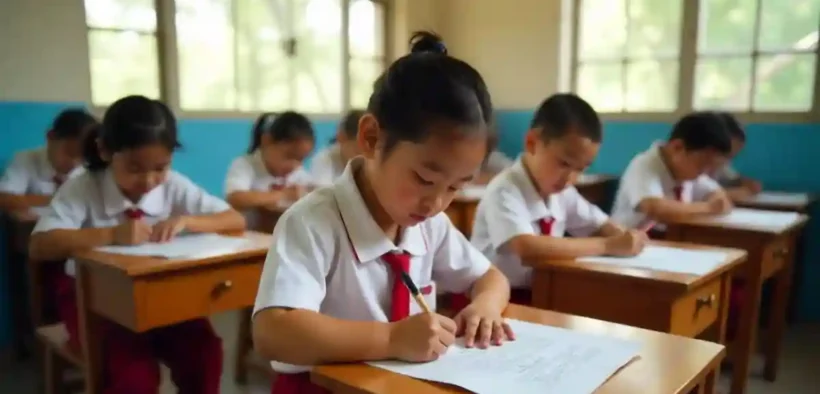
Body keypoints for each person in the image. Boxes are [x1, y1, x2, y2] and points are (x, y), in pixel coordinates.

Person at [252, 31, 514, 394]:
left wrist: (485, 305)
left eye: (456, 187)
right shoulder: (312, 222)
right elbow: (273, 331)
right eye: (424, 178)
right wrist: (390, 338)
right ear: (372, 138)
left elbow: (491, 277)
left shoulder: (429, 226)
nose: (436, 203)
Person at [28, 96, 246, 394]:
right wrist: (110, 235)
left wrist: (188, 221)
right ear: (105, 151)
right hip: (90, 300)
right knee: (134, 374)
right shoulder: (83, 185)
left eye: (161, 167)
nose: (148, 180)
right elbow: (40, 245)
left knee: (204, 352)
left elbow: (234, 220)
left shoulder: (173, 185)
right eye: (134, 168)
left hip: (156, 294)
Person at [466, 93, 646, 306]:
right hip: (490, 300)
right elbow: (529, 249)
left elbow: (599, 224)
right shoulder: (504, 189)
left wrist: (625, 237)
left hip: (541, 291)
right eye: (564, 163)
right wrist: (608, 245)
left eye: (580, 169)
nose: (571, 178)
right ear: (532, 143)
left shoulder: (562, 192)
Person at [611, 111, 734, 234]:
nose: (705, 173)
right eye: (702, 165)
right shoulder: (644, 164)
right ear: (677, 147)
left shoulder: (689, 169)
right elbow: (656, 209)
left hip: (669, 239)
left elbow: (718, 195)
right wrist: (709, 207)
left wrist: (716, 203)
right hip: (630, 240)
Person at [224, 111, 315, 227]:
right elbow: (235, 198)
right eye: (288, 156)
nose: (293, 165)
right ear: (266, 141)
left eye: (301, 159)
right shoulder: (245, 165)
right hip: (250, 236)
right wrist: (283, 195)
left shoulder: (298, 173)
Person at [0, 108, 97, 211]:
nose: (74, 163)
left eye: (82, 158)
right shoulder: (25, 160)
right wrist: (59, 199)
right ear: (50, 136)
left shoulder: (90, 169)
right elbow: (4, 197)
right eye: (69, 153)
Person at [711, 112, 762, 201]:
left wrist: (740, 182)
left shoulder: (722, 164)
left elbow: (729, 178)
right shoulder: (694, 168)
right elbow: (698, 194)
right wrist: (727, 194)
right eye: (724, 155)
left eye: (731, 157)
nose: (725, 161)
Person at [311, 109, 366, 186]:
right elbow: (322, 193)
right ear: (341, 138)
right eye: (358, 152)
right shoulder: (324, 159)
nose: (364, 159)